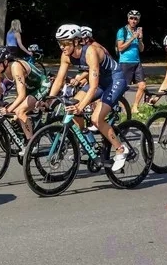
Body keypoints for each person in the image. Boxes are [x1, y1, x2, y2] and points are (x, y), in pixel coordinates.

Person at [42, 24, 130, 173]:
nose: (62, 47)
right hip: (100, 82)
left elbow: (93, 87)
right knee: (73, 111)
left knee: (96, 118)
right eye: (60, 43)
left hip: (114, 80)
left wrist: (81, 106)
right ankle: (89, 143)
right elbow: (59, 79)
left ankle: (121, 150)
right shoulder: (66, 55)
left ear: (76, 41)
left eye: (65, 43)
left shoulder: (90, 52)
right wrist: (49, 100)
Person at [115, 10, 147, 106]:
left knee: (142, 86)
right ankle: (117, 106)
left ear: (138, 20)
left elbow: (141, 49)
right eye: (131, 18)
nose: (133, 21)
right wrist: (133, 38)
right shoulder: (122, 31)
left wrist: (140, 39)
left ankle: (135, 106)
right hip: (125, 62)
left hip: (137, 62)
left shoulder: (137, 31)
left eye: (135, 19)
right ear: (128, 19)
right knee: (122, 87)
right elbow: (120, 48)